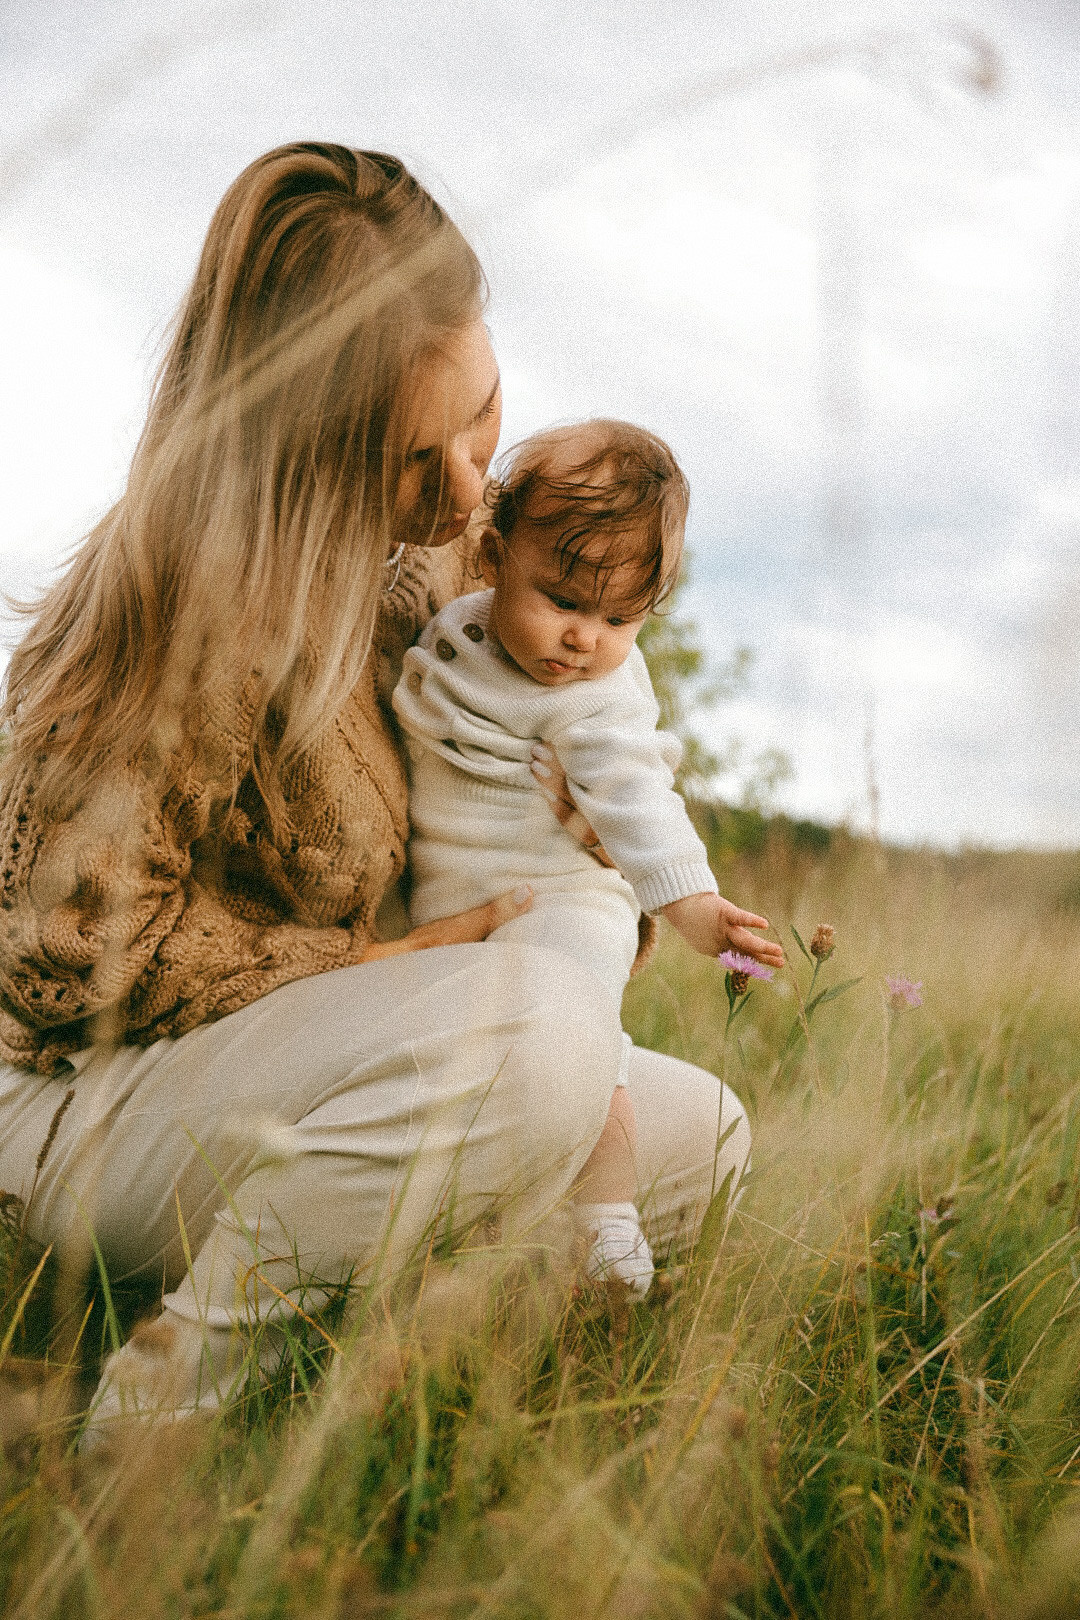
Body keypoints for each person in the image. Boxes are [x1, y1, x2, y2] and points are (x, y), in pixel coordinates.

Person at [0, 143, 755, 1439]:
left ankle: (353, 1363)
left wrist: (574, 844)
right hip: (77, 1103)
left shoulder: (446, 565)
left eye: (482, 417)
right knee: (538, 1046)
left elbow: (553, 758)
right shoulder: (186, 598)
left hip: (298, 1081)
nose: (471, 489)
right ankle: (148, 1422)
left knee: (703, 1136)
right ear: (301, 448)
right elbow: (55, 962)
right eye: (415, 458)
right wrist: (375, 959)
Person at [392, 419, 783, 1299]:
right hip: (460, 906)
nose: (585, 640)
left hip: (566, 903)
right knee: (475, 1072)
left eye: (619, 619)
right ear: (492, 558)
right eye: (563, 602)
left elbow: (637, 801)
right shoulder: (458, 627)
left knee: (580, 1057)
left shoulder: (598, 702)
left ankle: (607, 1226)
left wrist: (693, 906)